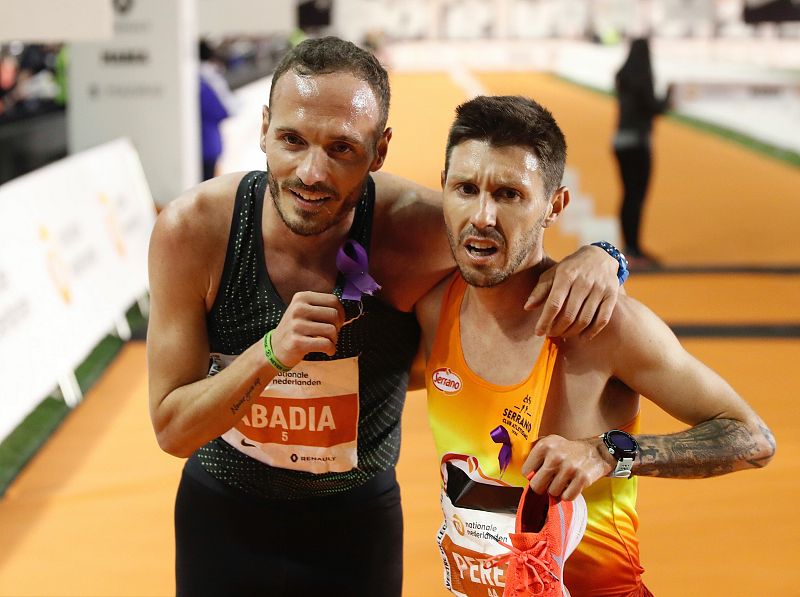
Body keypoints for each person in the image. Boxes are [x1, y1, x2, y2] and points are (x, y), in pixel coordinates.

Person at [147, 37, 623, 597]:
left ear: (380, 150)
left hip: (354, 531)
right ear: (264, 129)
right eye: (292, 140)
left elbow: (522, 251)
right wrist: (271, 353)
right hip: (221, 522)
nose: (312, 173)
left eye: (342, 148)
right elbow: (172, 429)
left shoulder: (418, 231)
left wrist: (603, 258)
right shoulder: (196, 232)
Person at [418, 95, 776, 596]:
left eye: (509, 194)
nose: (482, 215)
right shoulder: (432, 308)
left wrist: (609, 452)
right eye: (466, 189)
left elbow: (753, 438)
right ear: (443, 188)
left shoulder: (606, 327)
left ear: (554, 205)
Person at [613, 38, 672, 269]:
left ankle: (630, 247)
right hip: (638, 143)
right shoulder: (643, 78)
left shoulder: (623, 77)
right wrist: (668, 97)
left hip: (620, 141)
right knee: (636, 197)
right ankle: (634, 249)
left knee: (628, 195)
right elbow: (652, 107)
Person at [199, 40, 238, 180]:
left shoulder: (198, 79)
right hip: (207, 145)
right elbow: (225, 109)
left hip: (203, 144)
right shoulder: (208, 81)